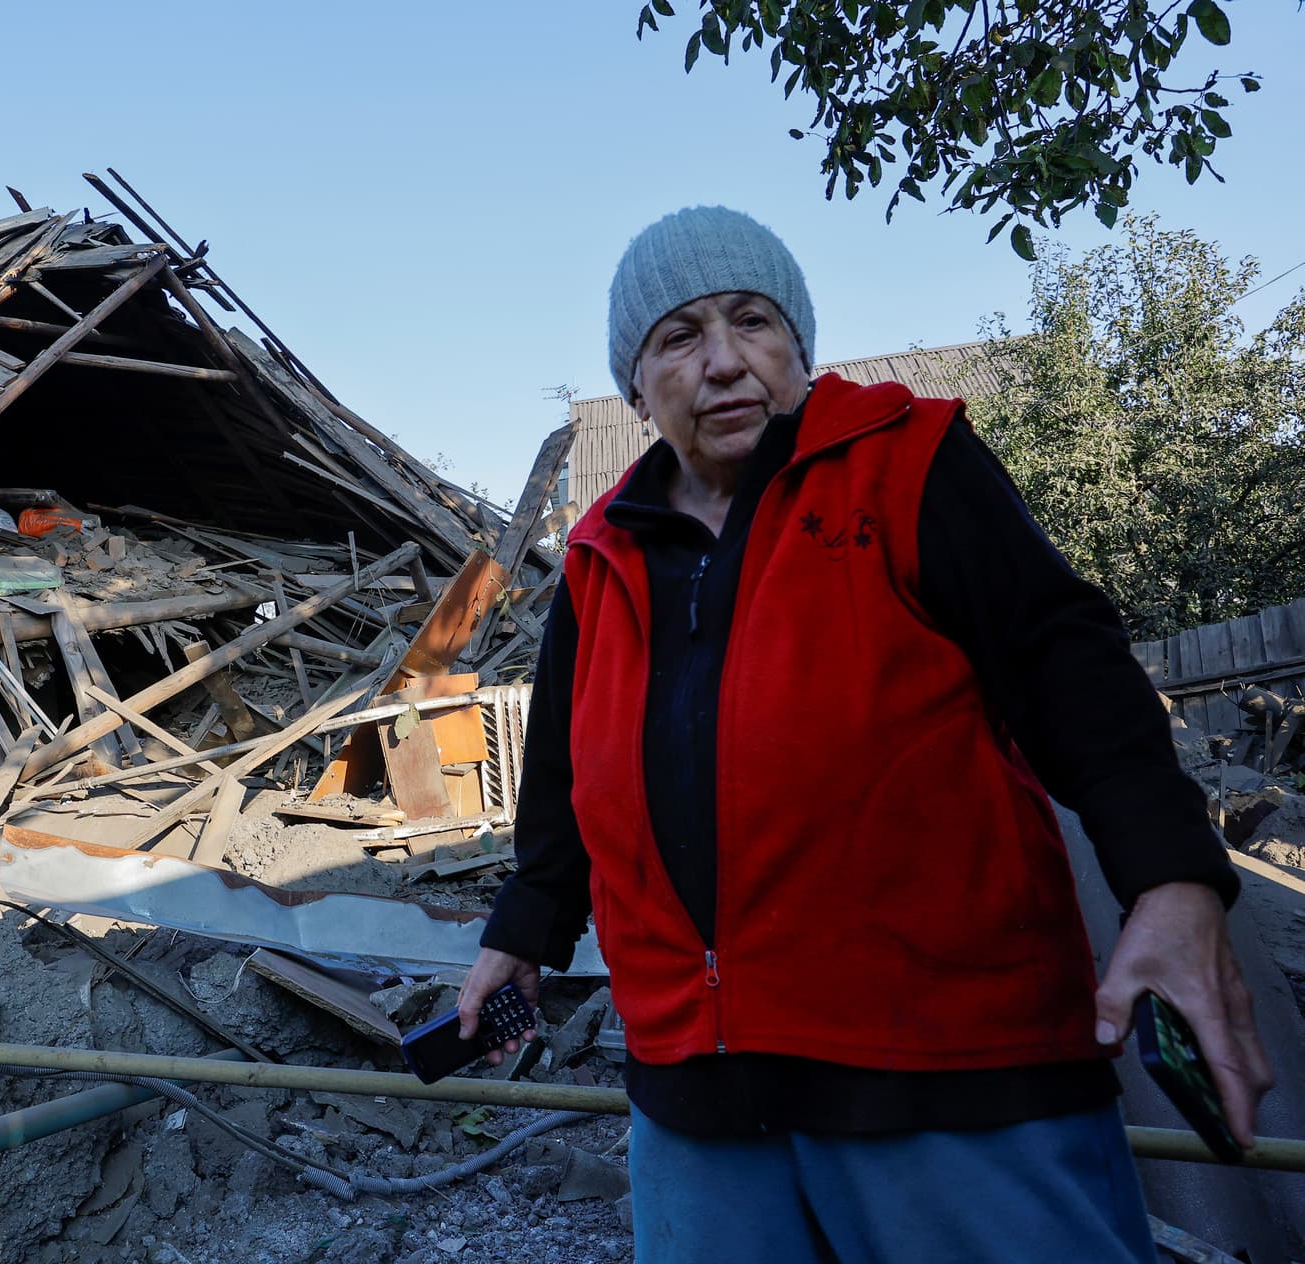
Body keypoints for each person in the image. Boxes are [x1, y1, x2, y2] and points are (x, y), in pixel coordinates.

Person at [456, 206, 1274, 1262]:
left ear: (797, 343)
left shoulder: (908, 464)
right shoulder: (598, 558)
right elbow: (569, 774)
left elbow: (1071, 667)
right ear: (636, 385)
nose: (722, 362)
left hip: (951, 1081)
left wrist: (1172, 882)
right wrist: (523, 932)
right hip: (696, 1103)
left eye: (751, 321)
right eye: (678, 337)